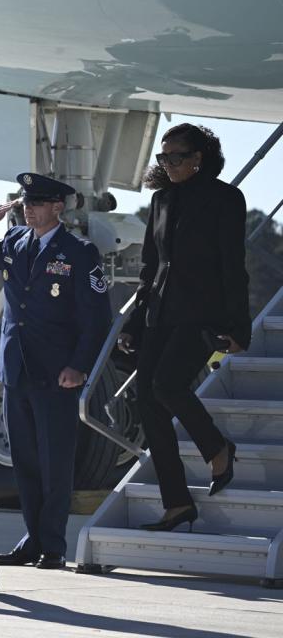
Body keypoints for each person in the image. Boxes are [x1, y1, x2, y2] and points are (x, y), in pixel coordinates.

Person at [118, 124, 250, 532]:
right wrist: (134, 323)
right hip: (160, 312)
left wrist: (238, 328)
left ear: (198, 158)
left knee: (167, 385)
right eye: (163, 157)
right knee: (148, 404)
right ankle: (176, 504)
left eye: (177, 156)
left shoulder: (225, 198)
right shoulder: (160, 201)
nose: (169, 164)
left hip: (201, 315)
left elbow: (233, 265)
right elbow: (150, 268)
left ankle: (217, 448)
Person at [0, 174, 111, 570]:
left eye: (37, 202)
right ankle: (32, 540)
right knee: (26, 463)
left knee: (55, 462)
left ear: (58, 207)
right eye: (25, 203)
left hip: (56, 373)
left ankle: (51, 546)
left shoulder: (79, 253)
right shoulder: (15, 243)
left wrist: (80, 366)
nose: (28, 209)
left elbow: (96, 319)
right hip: (15, 370)